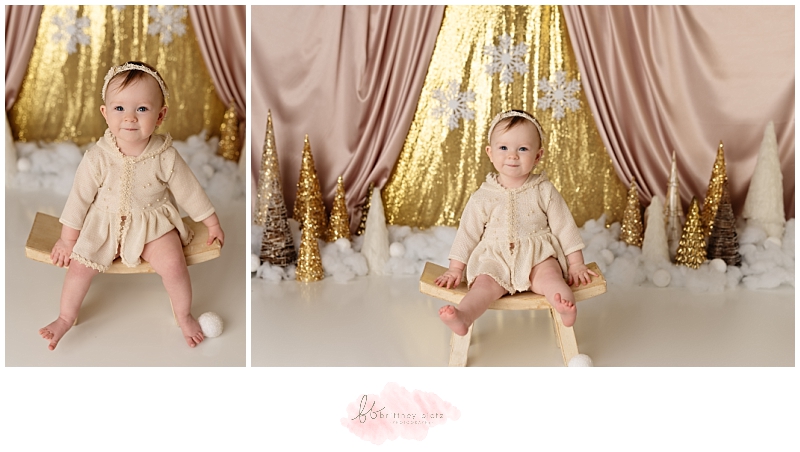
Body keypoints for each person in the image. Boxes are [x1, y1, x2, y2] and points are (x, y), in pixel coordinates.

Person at [39, 61, 225, 350]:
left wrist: (211, 222)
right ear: (105, 113)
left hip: (153, 224)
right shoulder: (97, 157)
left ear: (160, 115)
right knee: (78, 267)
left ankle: (184, 314)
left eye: (141, 109)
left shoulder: (165, 156)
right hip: (104, 224)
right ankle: (64, 317)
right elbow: (79, 198)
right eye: (119, 108)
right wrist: (67, 239)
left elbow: (190, 191)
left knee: (175, 265)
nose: (129, 118)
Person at [436, 109, 596, 336]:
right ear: (490, 153)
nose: (512, 156)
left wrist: (576, 264)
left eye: (522, 149)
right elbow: (467, 233)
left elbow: (565, 227)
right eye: (504, 148)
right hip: (495, 259)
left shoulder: (544, 190)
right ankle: (463, 316)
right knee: (482, 286)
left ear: (538, 156)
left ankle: (564, 307)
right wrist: (455, 269)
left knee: (551, 278)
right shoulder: (482, 196)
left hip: (537, 256)